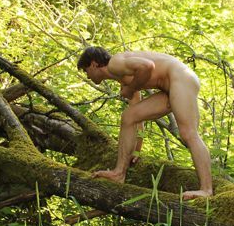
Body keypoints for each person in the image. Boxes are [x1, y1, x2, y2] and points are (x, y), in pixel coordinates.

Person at [77, 46, 213, 200]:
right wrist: (137, 150)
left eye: (86, 71)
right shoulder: (124, 77)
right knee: (128, 116)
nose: (87, 76)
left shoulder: (115, 63)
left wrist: (130, 89)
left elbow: (147, 66)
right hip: (169, 87)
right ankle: (119, 173)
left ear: (94, 64)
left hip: (181, 77)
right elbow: (137, 118)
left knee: (188, 133)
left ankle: (206, 190)